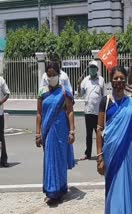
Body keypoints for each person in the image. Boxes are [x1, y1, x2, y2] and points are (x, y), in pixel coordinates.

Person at [96, 66, 132, 214]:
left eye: (122, 78)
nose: (119, 81)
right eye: (116, 78)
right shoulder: (105, 101)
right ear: (111, 80)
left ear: (126, 80)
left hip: (127, 154)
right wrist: (99, 157)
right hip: (109, 154)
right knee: (112, 186)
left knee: (126, 185)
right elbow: (99, 129)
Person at [36, 62, 75, 205]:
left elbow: (70, 111)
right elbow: (39, 113)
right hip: (47, 131)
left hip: (62, 130)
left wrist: (72, 131)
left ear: (59, 75)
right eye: (49, 75)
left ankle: (60, 189)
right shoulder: (42, 92)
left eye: (54, 75)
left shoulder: (65, 92)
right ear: (46, 76)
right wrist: (38, 133)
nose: (51, 77)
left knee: (60, 160)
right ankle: (51, 190)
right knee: (50, 160)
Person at [77, 60, 105, 160]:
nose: (92, 69)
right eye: (90, 68)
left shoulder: (101, 80)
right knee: (89, 134)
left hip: (98, 111)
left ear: (97, 69)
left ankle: (101, 152)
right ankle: (87, 154)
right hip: (88, 111)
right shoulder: (85, 80)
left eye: (94, 68)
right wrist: (78, 85)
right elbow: (80, 94)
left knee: (100, 133)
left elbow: (103, 95)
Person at [0, 77, 10, 167]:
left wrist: (0, 102)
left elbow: (7, 94)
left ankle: (3, 160)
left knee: (1, 137)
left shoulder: (1, 80)